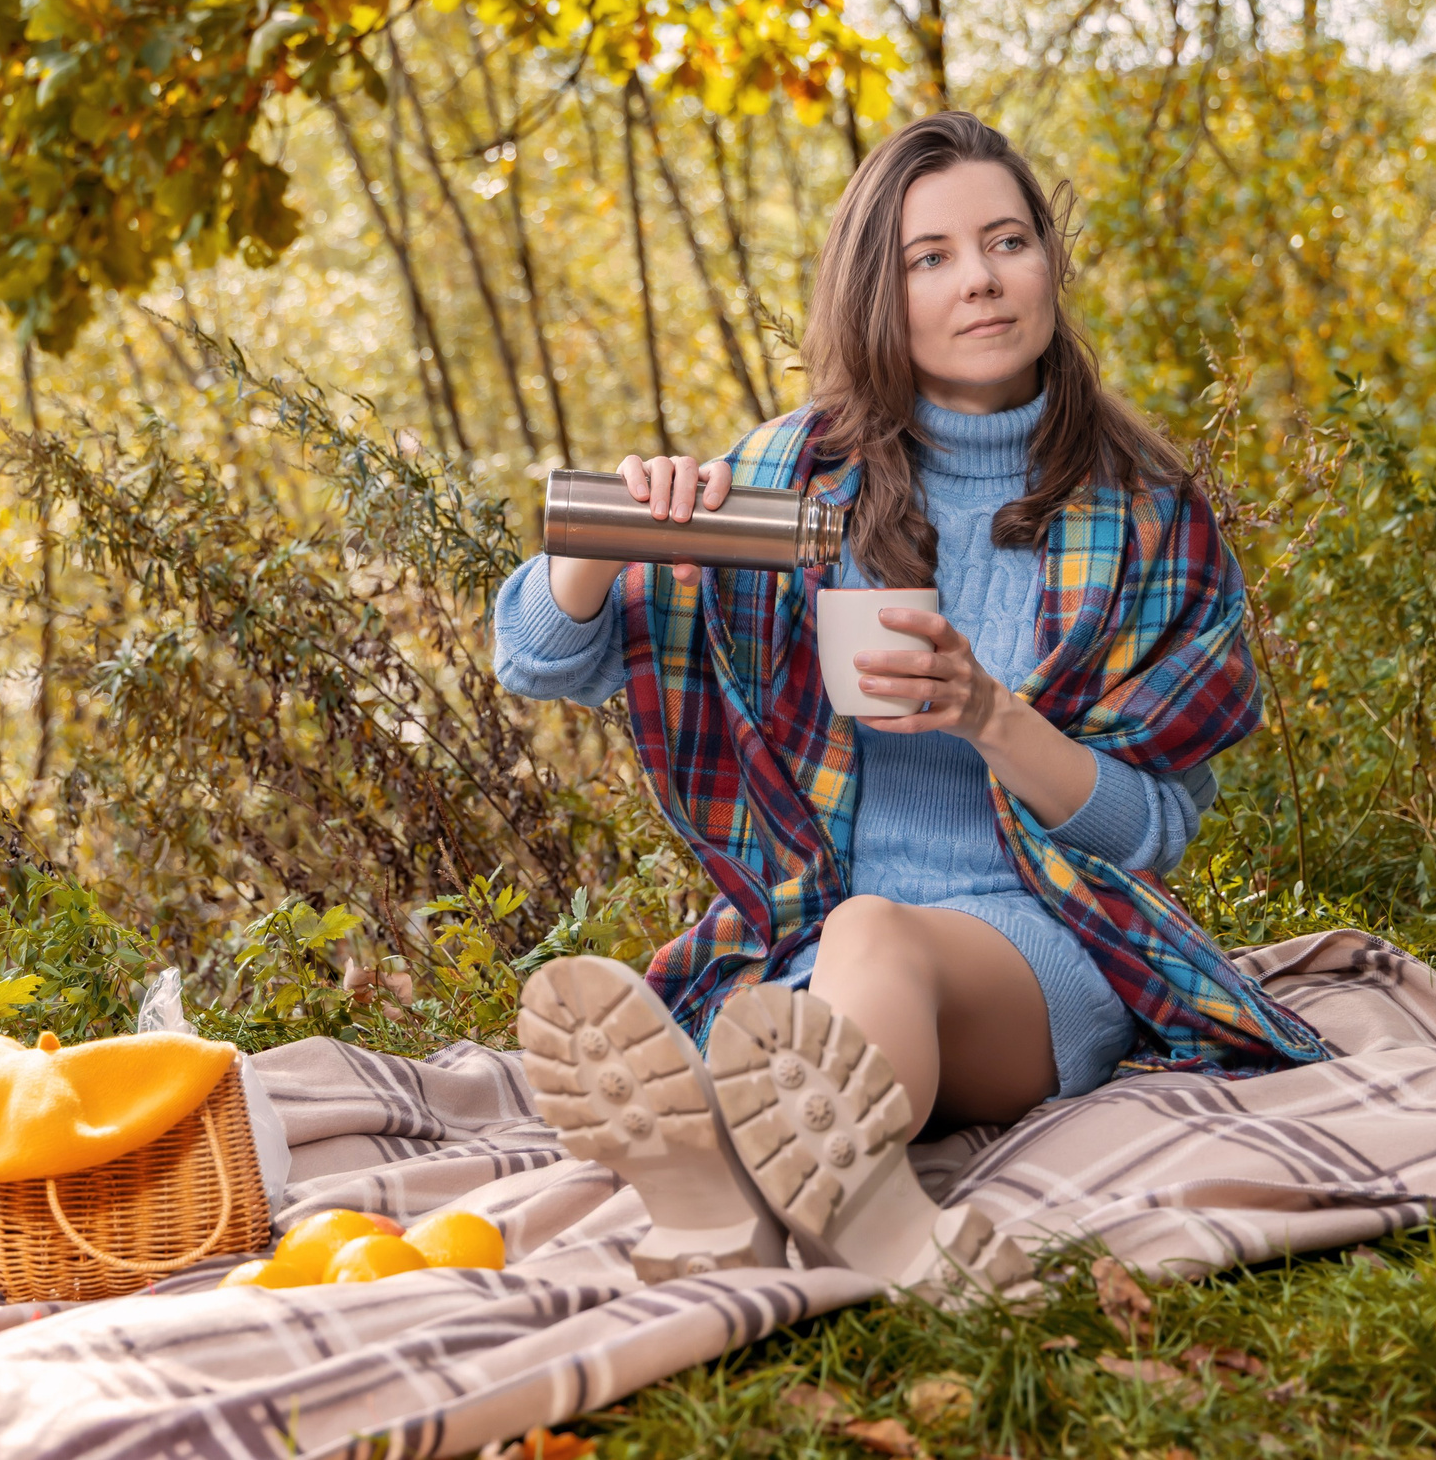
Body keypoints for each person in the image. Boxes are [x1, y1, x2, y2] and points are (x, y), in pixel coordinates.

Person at [493, 111, 1332, 1296]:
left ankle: (753, 1185)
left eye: (1005, 242)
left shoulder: (1147, 512)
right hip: (810, 944)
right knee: (797, 996)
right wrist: (610, 534)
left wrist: (991, 716)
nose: (979, 280)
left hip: (1047, 944)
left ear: (1049, 259)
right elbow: (534, 654)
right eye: (928, 257)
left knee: (870, 935)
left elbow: (1152, 830)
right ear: (876, 292)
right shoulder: (795, 477)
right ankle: (772, 1203)